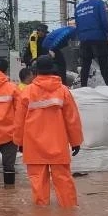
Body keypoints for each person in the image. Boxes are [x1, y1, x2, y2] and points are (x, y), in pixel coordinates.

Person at [13, 56, 84, 207]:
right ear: (54, 69)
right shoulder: (63, 91)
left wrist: (19, 142)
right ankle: (69, 214)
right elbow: (72, 119)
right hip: (58, 144)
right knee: (64, 181)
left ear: (36, 71)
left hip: (33, 145)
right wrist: (76, 141)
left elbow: (19, 121)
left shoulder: (27, 92)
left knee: (38, 183)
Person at [74, 0, 108, 87]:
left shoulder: (78, 7)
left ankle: (83, 87)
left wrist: (81, 38)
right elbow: (104, 21)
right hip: (98, 37)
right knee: (103, 65)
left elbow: (77, 24)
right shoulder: (99, 3)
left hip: (84, 39)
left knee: (85, 66)